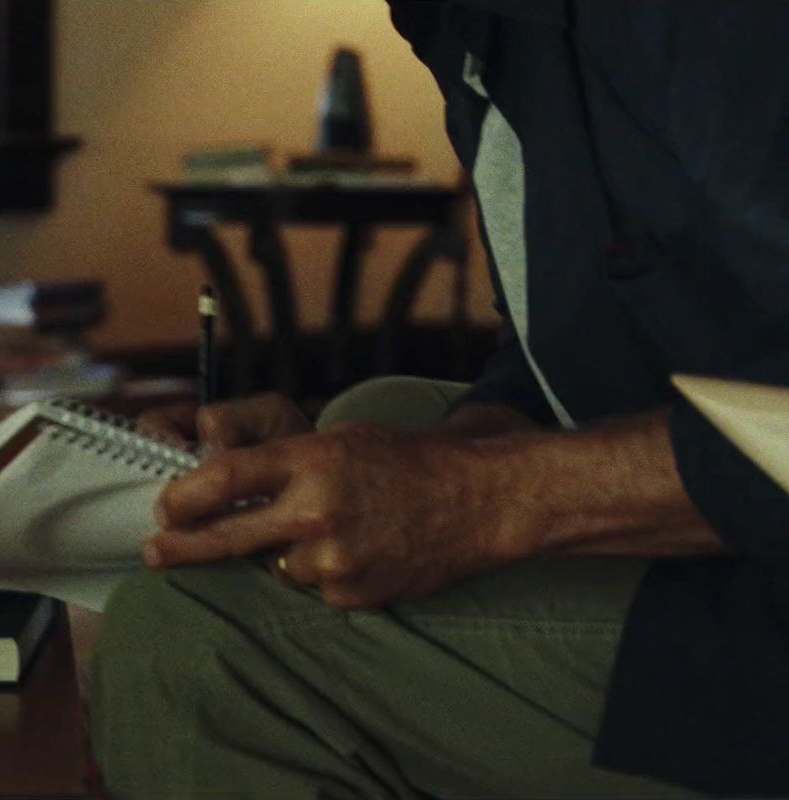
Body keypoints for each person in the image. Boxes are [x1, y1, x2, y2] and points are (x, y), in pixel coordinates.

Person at [91, 1, 789, 797]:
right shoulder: (468, 27)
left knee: (188, 639)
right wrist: (402, 470)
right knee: (376, 411)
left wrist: (477, 497)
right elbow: (560, 352)